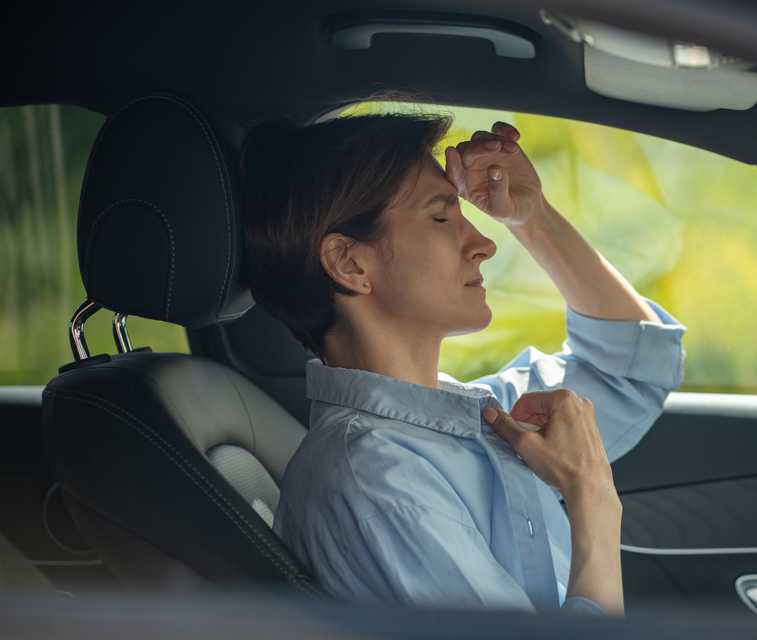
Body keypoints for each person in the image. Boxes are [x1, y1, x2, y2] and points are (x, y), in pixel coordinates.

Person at [239, 111, 687, 616]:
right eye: (441, 217)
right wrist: (593, 503)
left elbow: (633, 369)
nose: (485, 244)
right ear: (350, 264)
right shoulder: (377, 479)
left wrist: (532, 216)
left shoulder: (468, 417)